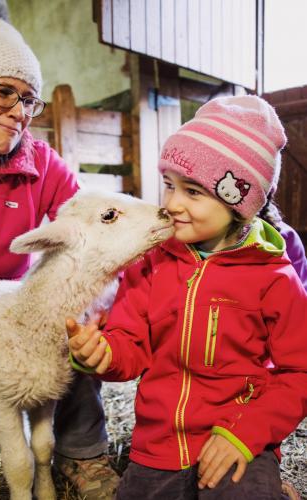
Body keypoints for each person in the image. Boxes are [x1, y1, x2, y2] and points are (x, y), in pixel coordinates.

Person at [67, 95, 307, 499]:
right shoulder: (149, 263)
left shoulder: (275, 277)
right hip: (158, 446)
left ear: (240, 202)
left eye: (193, 191)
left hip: (236, 442)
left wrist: (245, 435)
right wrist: (103, 355)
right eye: (169, 185)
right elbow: (131, 344)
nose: (171, 204)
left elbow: (299, 373)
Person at [0, 1, 118, 498]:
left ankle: (83, 452)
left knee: (64, 328)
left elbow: (92, 231)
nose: (18, 111)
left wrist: (98, 309)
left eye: (29, 99)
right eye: (2, 92)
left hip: (15, 311)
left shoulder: (41, 162)